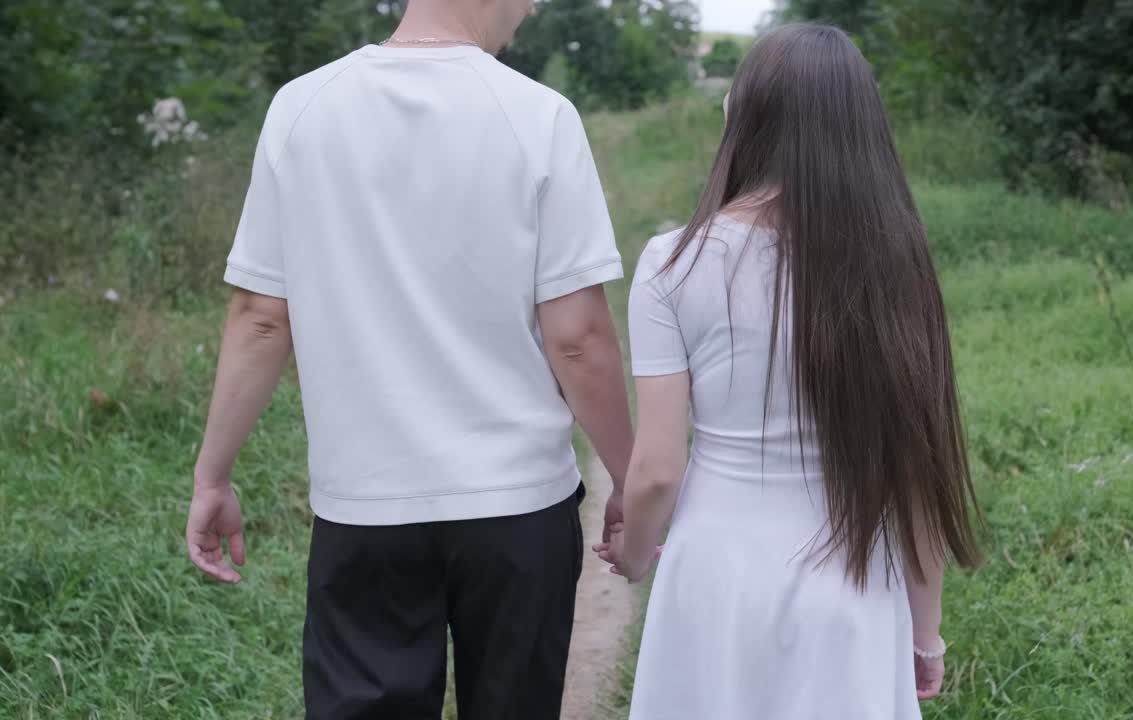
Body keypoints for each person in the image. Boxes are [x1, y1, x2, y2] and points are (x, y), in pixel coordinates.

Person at [183, 1, 634, 718]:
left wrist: (213, 475)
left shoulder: (303, 110)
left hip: (366, 506)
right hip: (517, 508)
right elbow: (577, 336)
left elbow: (262, 317)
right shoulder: (539, 116)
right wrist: (629, 476)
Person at [594, 24, 983, 719]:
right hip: (853, 589)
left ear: (745, 116)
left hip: (712, 585)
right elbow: (918, 483)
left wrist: (634, 551)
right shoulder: (896, 263)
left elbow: (656, 469)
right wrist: (926, 637)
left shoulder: (673, 262)